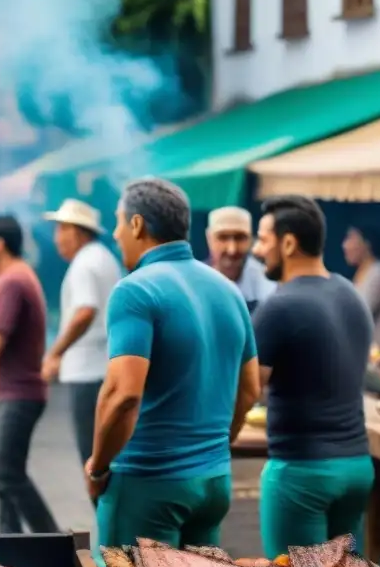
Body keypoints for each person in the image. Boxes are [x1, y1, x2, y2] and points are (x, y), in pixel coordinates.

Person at [85, 178, 260, 548]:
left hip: (149, 485)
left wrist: (98, 467)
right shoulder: (229, 292)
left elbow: (122, 396)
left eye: (118, 222)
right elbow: (250, 389)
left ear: (137, 225)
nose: (115, 235)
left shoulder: (134, 290)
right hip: (213, 484)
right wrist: (214, 448)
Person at [252, 196, 375, 558]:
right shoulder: (350, 294)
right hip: (356, 468)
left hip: (302, 475)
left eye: (263, 239)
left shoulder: (278, 305)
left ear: (288, 243)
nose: (258, 251)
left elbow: (247, 388)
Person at [0, 215, 57, 534]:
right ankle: (8, 548)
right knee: (5, 482)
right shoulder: (14, 275)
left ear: (0, 244)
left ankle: (52, 540)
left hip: (16, 394)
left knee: (8, 476)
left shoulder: (11, 280)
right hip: (12, 393)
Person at [41, 199, 121, 471]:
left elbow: (85, 312)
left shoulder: (84, 264)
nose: (57, 238)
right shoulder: (104, 257)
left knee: (92, 458)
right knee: (104, 455)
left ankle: (102, 512)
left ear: (76, 231)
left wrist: (55, 352)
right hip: (103, 367)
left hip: (88, 373)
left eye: (60, 229)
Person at [206, 206, 276, 314]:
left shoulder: (266, 286)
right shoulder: (193, 282)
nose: (232, 250)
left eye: (239, 238)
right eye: (223, 238)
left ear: (250, 240)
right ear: (209, 239)